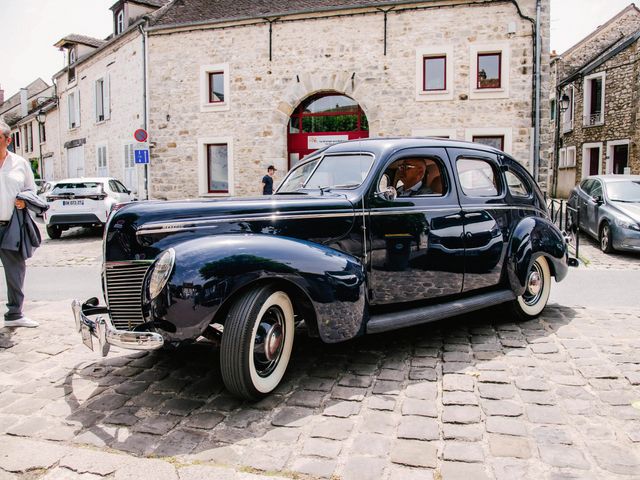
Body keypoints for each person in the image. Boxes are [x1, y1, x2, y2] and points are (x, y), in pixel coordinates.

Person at [0, 119, 39, 328]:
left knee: (15, 271)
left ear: (8, 140)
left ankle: (15, 314)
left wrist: (24, 200)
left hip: (10, 226)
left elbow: (32, 191)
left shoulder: (20, 164)